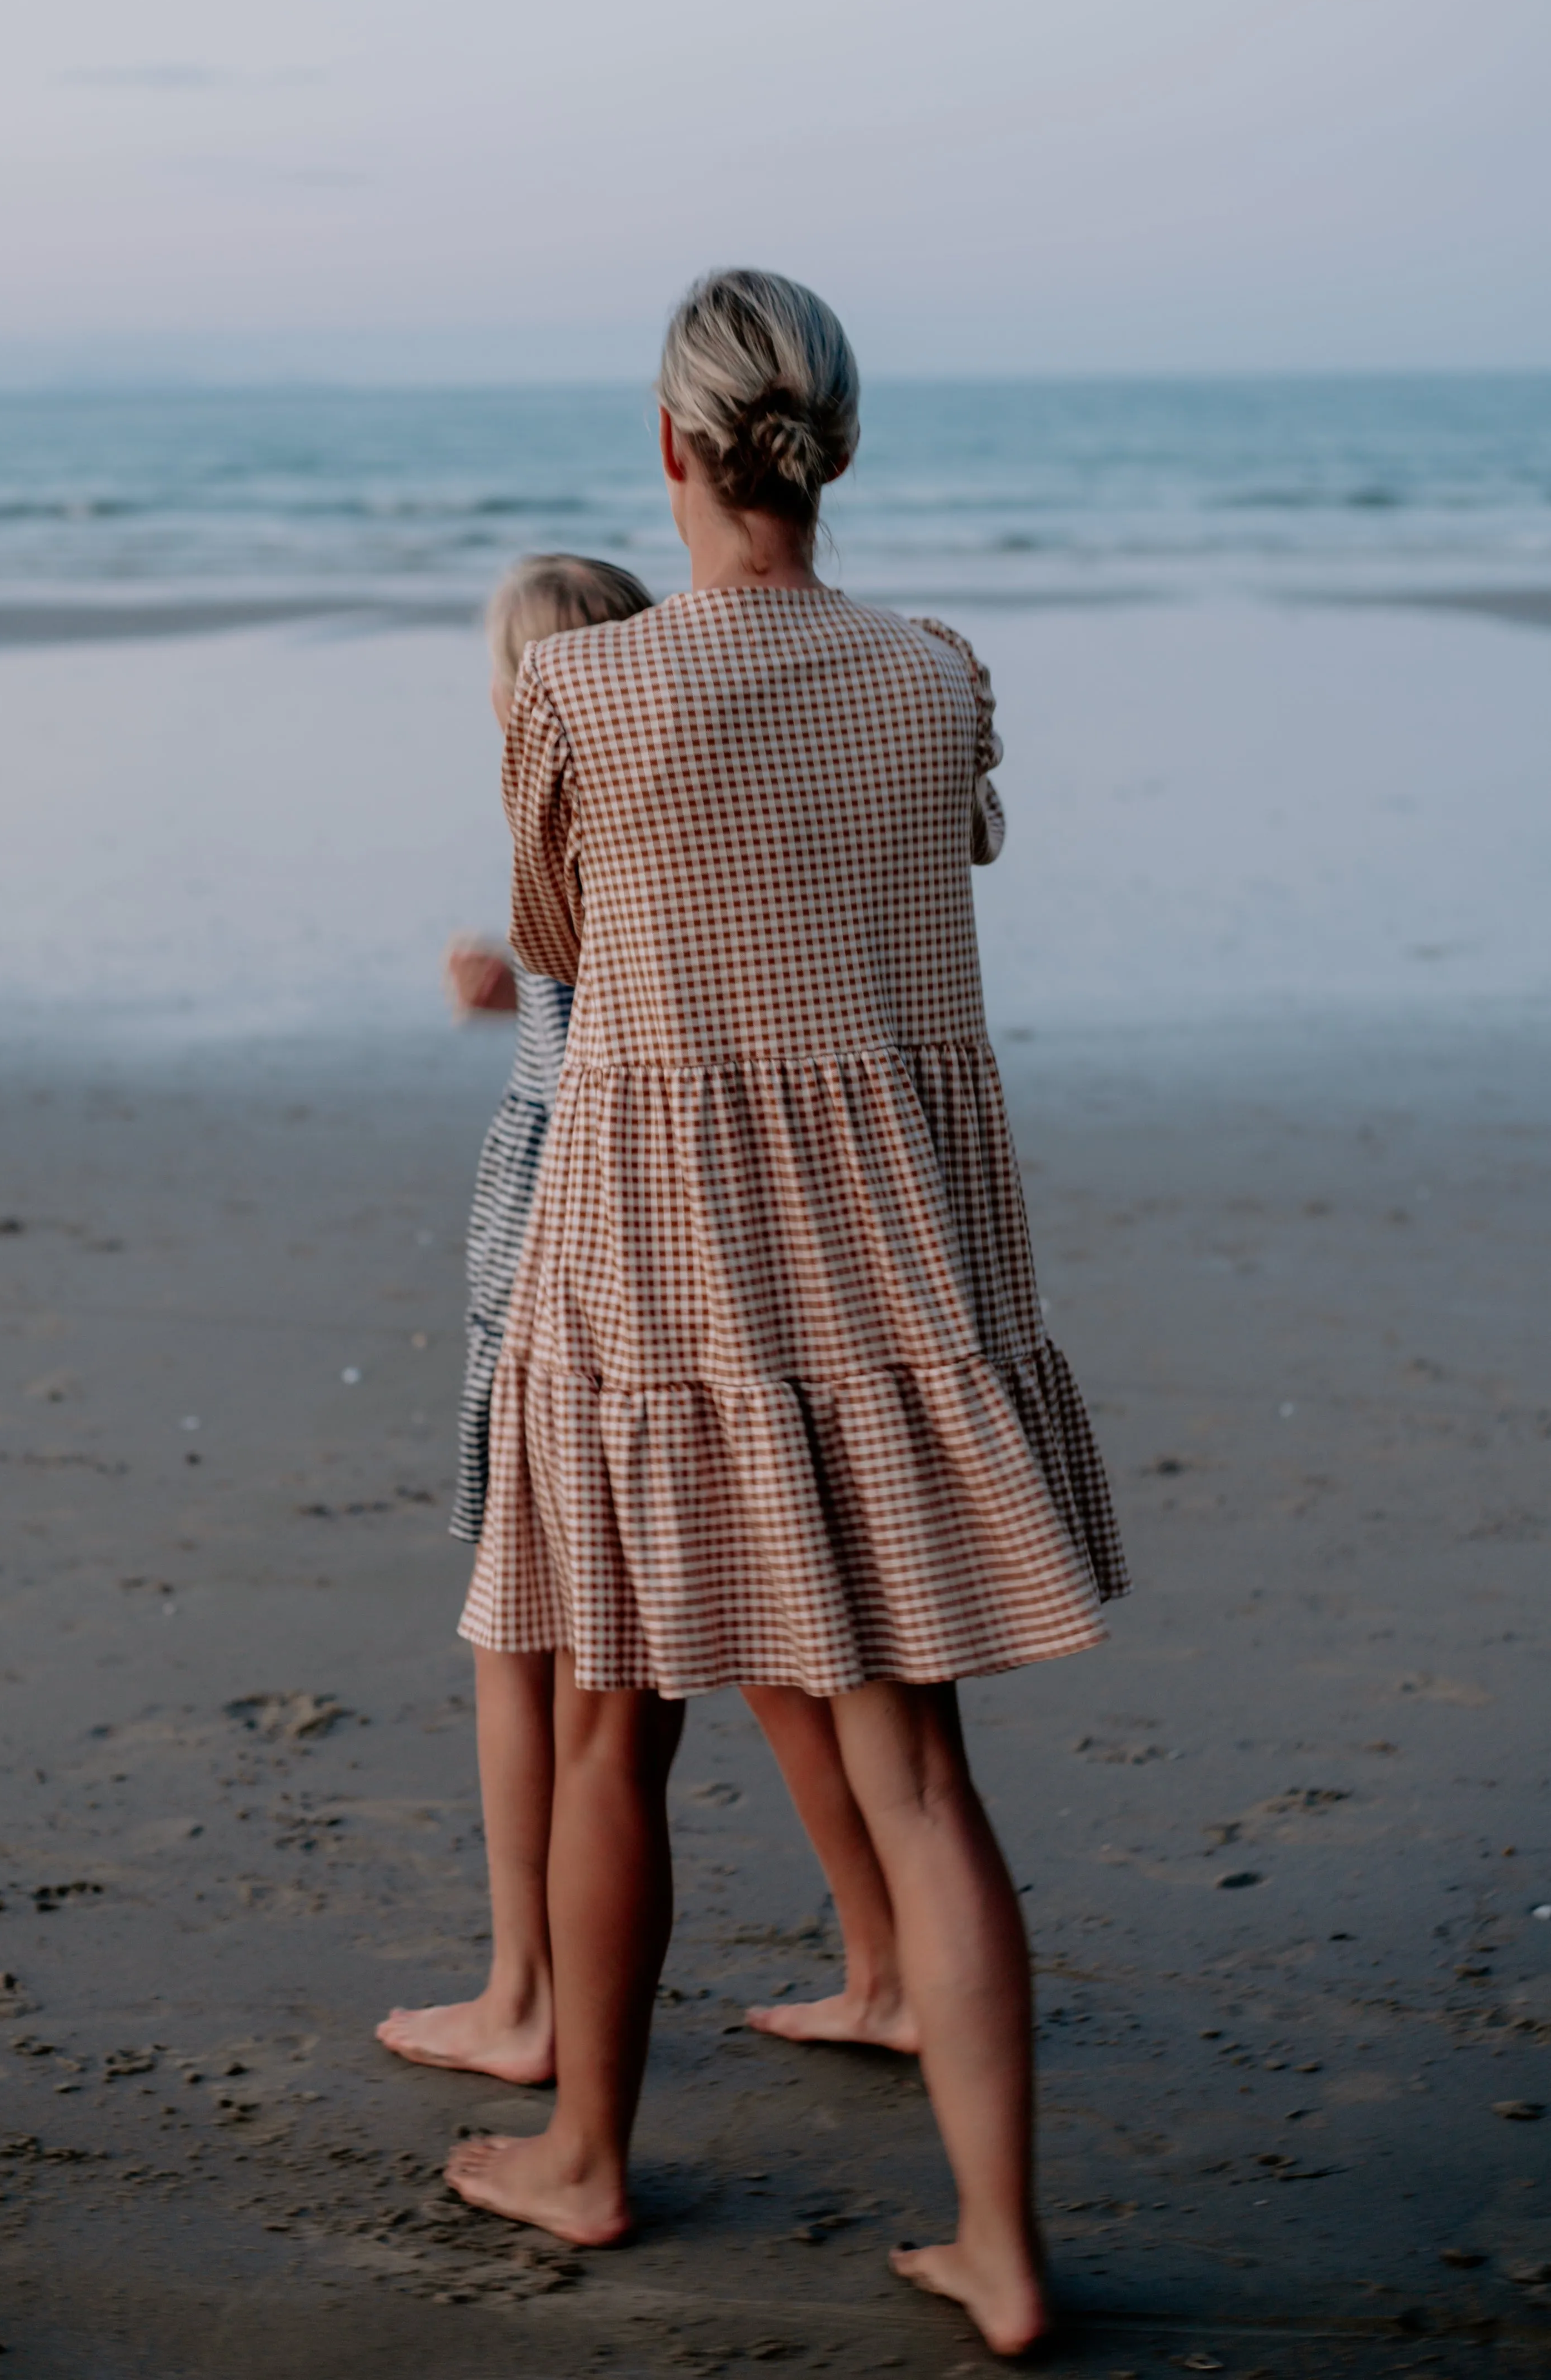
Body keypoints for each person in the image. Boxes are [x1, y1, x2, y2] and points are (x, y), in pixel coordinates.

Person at [447, 272, 1128, 2358]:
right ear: (836, 444)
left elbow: (565, 952)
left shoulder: (591, 699)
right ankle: (1002, 2253)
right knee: (917, 1775)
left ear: (670, 451)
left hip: (652, 1261)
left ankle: (586, 2162)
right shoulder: (933, 680)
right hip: (888, 1258)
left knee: (606, 1731)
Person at [377, 552, 923, 2090]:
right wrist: (519, 995)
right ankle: (888, 1962)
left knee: (521, 1627)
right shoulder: (709, 825)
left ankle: (528, 1994)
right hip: (722, 1234)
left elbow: (595, 1023)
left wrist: (523, 990)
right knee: (770, 1629)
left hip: (572, 1239)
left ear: (529, 695)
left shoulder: (562, 810)